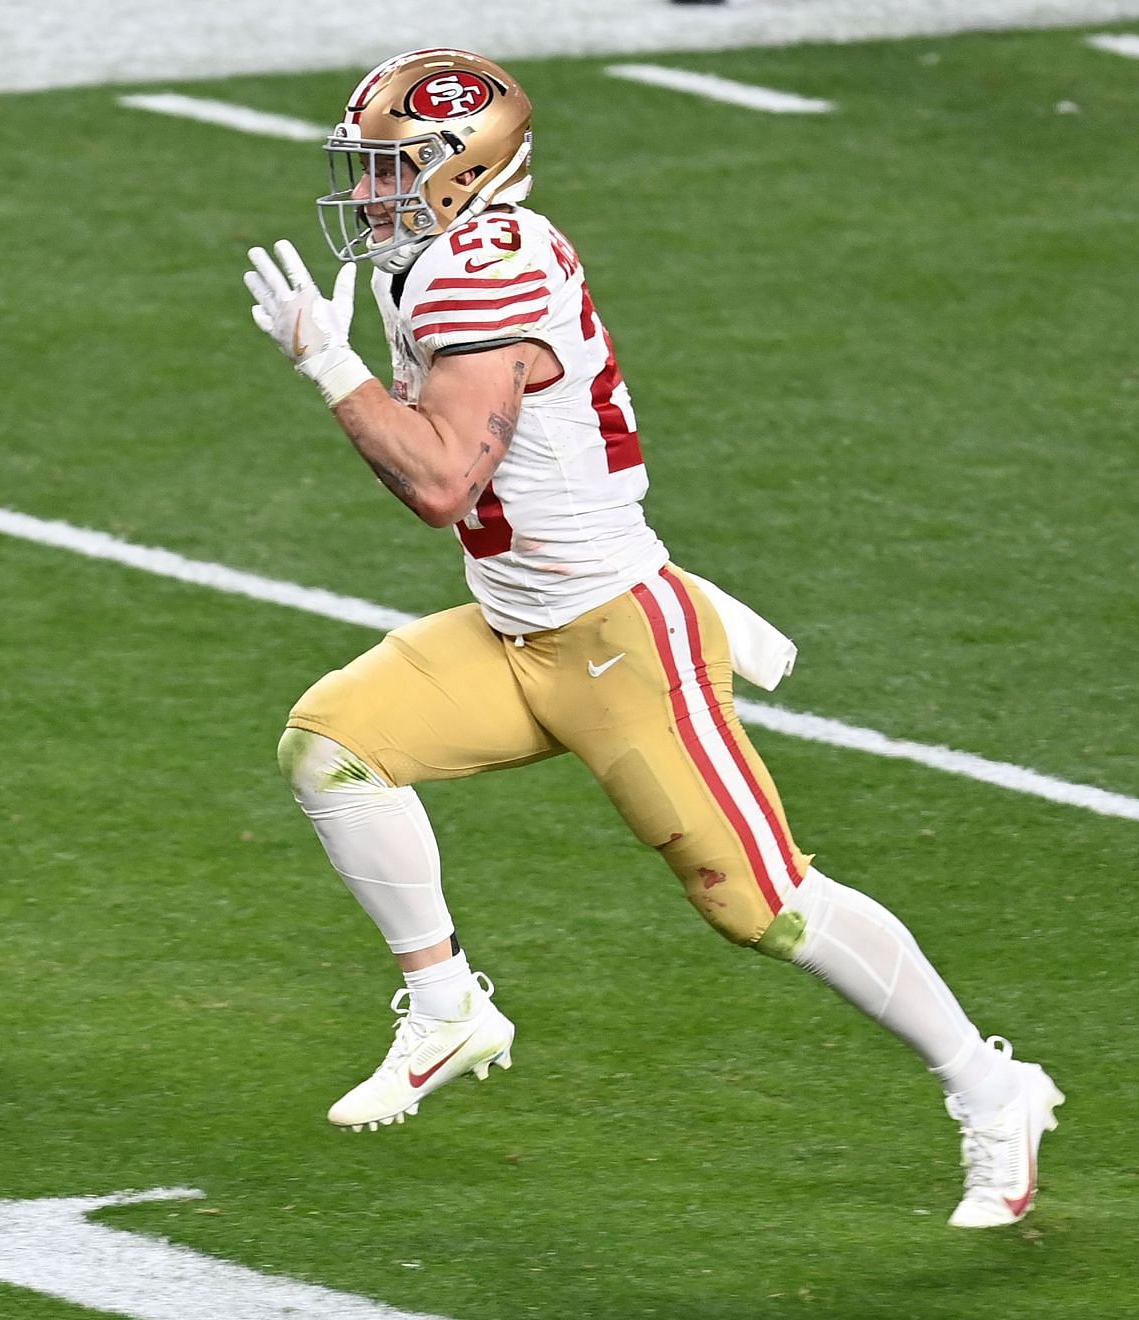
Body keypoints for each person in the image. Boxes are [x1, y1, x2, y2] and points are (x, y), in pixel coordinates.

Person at [243, 48, 1062, 1227]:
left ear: (466, 171)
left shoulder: (488, 268)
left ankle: (994, 1088)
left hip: (616, 640)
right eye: (366, 167)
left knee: (764, 905)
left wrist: (329, 367)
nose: (369, 193)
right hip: (525, 627)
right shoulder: (437, 256)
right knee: (330, 745)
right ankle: (446, 1009)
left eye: (393, 169)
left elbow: (438, 480)